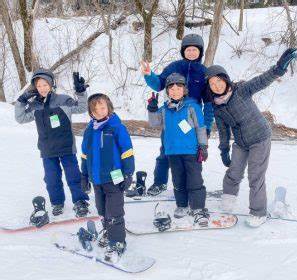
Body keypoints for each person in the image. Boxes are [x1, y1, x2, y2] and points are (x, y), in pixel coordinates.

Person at [205, 48, 297, 227]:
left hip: (260, 137)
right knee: (233, 172)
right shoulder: (216, 107)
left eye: (218, 81)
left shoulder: (241, 89)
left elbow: (262, 81)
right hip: (241, 142)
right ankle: (228, 200)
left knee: (255, 175)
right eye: (212, 84)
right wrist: (224, 150)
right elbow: (223, 131)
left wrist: (279, 68)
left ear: (225, 79)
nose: (216, 86)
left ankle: (258, 212)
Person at [141, 33, 214, 196]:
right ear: (183, 51)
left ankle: (192, 184)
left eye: (195, 50)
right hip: (172, 116)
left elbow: (208, 104)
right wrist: (148, 74)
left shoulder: (204, 72)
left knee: (193, 155)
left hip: (192, 118)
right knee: (165, 151)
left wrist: (207, 127)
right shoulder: (174, 67)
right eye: (188, 50)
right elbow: (159, 84)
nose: (191, 53)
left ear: (200, 52)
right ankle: (159, 182)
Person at [15, 69, 90, 217]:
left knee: (73, 176)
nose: (42, 88)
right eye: (39, 86)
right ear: (35, 88)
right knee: (51, 178)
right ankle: (57, 202)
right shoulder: (35, 105)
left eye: (45, 84)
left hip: (67, 147)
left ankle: (80, 201)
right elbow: (21, 118)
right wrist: (21, 101)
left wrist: (81, 93)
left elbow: (82, 107)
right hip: (47, 150)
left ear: (51, 84)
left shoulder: (63, 100)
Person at [148, 73, 209, 225]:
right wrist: (152, 109)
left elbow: (200, 127)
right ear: (167, 91)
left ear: (184, 90)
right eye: (171, 88)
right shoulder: (164, 109)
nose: (175, 91)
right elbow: (154, 124)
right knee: (178, 180)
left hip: (191, 151)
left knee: (194, 180)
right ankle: (182, 205)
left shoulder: (192, 106)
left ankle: (198, 208)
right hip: (172, 152)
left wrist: (203, 146)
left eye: (178, 88)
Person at [81, 93, 134, 262]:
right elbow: (84, 155)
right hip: (96, 180)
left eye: (102, 107)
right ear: (90, 112)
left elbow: (127, 152)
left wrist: (128, 173)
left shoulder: (116, 127)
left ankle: (117, 241)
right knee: (102, 210)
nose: (99, 111)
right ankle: (108, 232)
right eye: (94, 109)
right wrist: (84, 175)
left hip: (114, 179)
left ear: (109, 107)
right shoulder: (89, 131)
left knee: (114, 212)